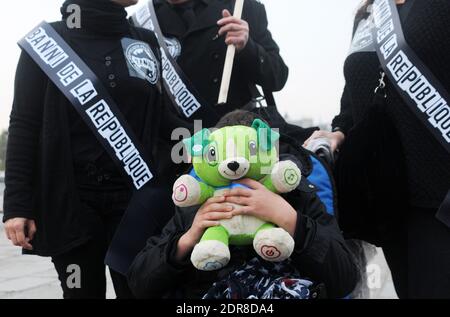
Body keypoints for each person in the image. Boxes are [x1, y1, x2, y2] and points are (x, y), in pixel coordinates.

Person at [2, 0, 171, 299]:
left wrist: (210, 133)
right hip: (71, 202)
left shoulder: (144, 42)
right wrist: (16, 205)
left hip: (136, 200)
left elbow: (162, 117)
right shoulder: (45, 44)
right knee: (81, 293)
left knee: (142, 291)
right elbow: (24, 124)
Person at [127, 110, 359, 299]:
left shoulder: (297, 195)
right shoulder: (195, 204)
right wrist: (188, 238)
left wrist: (290, 220)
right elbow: (139, 283)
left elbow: (345, 279)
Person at [304, 0, 450, 298]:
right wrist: (339, 130)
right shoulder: (369, 14)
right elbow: (354, 91)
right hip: (390, 197)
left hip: (440, 197)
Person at [138, 0, 289, 128]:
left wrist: (248, 48)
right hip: (179, 145)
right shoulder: (142, 22)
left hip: (239, 136)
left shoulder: (241, 7)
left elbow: (277, 77)